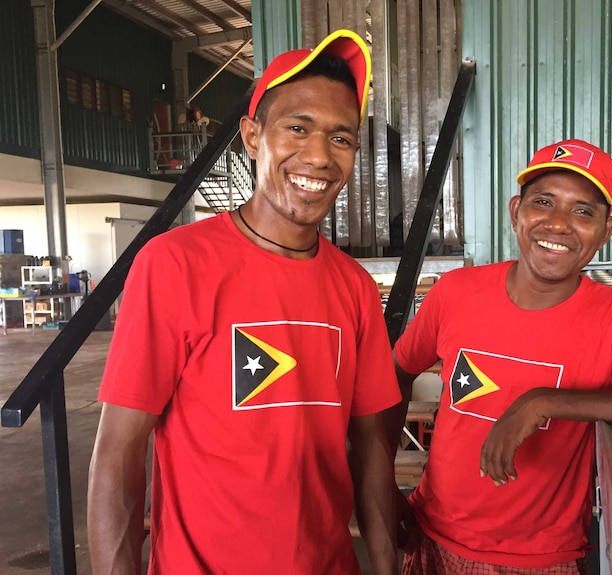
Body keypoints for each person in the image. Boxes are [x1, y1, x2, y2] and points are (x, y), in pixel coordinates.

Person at [88, 29, 401, 575]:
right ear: (253, 136)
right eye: (297, 128)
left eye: (341, 138)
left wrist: (385, 562)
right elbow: (119, 452)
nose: (319, 156)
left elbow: (373, 443)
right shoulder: (174, 265)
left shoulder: (353, 286)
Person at [385, 138, 612, 574]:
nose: (559, 224)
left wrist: (545, 400)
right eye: (544, 202)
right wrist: (383, 486)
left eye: (583, 211)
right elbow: (396, 374)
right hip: (431, 537)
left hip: (541, 560)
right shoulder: (456, 293)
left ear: (606, 230)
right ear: (516, 211)